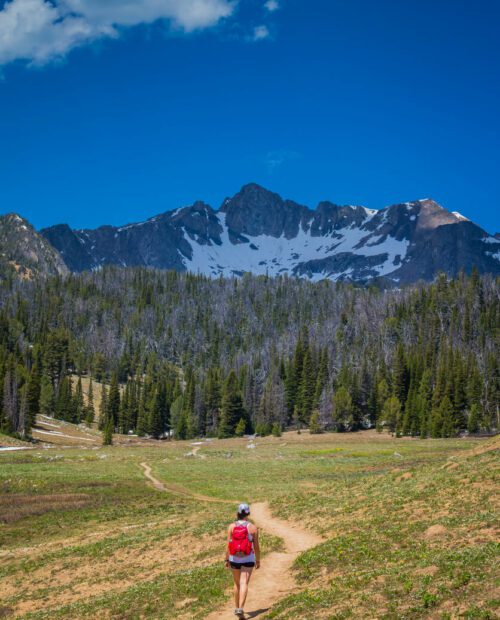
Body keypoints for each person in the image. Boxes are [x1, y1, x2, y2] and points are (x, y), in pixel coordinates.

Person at [225, 502, 260, 618]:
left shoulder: (231, 526)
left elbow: (228, 545)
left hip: (234, 558)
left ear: (238, 513)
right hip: (248, 558)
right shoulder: (253, 527)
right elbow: (256, 546)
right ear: (248, 513)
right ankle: (240, 608)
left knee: (236, 583)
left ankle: (237, 609)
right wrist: (258, 560)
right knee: (244, 582)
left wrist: (226, 559)